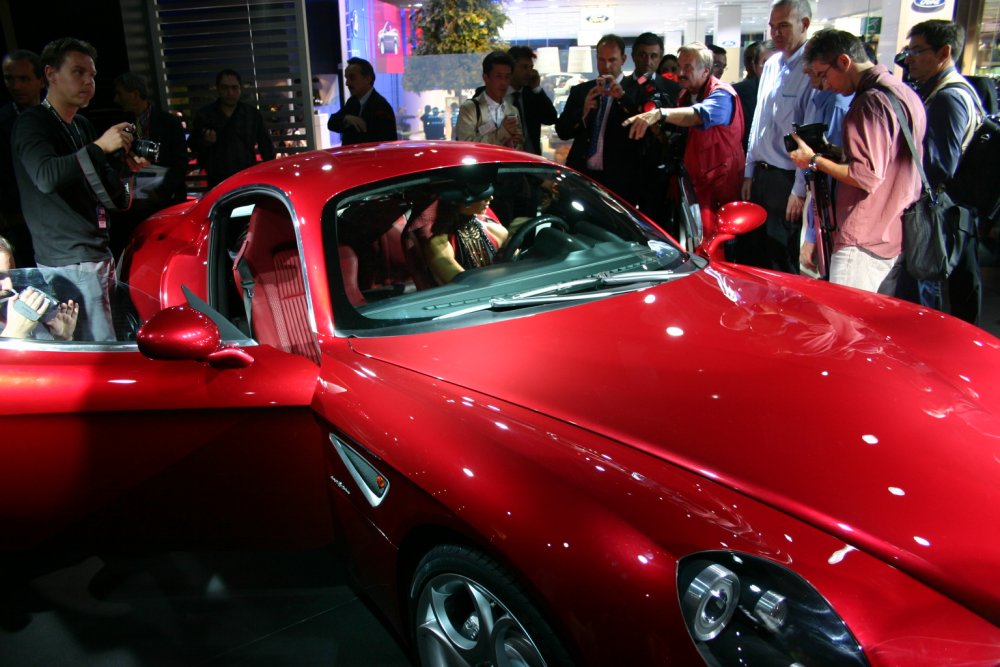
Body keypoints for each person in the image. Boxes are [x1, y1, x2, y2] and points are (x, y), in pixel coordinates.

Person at [12, 37, 139, 341]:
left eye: (92, 75)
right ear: (51, 75)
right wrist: (98, 148)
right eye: (78, 72)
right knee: (99, 351)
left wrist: (125, 167)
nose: (88, 81)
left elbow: (101, 183)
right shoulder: (33, 123)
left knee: (112, 339)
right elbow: (45, 176)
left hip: (95, 251)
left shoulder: (80, 124)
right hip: (68, 260)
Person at [788, 29, 925, 293]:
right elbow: (885, 161)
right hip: (892, 232)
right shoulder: (902, 92)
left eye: (823, 74)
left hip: (863, 239)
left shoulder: (869, 103)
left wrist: (813, 158)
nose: (824, 85)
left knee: (847, 326)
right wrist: (837, 153)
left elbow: (865, 176)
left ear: (843, 62)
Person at [898, 20, 983, 324]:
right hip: (950, 212)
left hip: (942, 215)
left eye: (917, 51)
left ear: (944, 52)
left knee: (932, 290)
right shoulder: (946, 91)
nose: (908, 59)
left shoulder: (948, 97)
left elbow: (940, 166)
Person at [624, 42, 744, 243]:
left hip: (717, 189)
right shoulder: (684, 95)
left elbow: (699, 116)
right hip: (691, 187)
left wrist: (659, 114)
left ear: (706, 70)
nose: (680, 72)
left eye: (687, 67)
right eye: (680, 66)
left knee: (716, 246)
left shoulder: (722, 94)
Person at [740, 0, 816, 273]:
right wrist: (749, 171)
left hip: (786, 179)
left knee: (781, 258)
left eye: (783, 26)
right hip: (760, 175)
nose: (775, 33)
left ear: (804, 24)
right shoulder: (771, 64)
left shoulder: (811, 68)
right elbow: (759, 121)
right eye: (772, 27)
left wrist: (798, 189)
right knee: (754, 255)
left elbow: (808, 138)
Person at [556, 34, 642, 201]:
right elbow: (562, 131)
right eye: (601, 60)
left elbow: (639, 132)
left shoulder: (635, 91)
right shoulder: (581, 91)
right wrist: (584, 111)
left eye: (612, 60)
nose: (606, 66)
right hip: (582, 176)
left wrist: (622, 97)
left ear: (623, 59)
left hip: (618, 180)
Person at [111, 72, 188, 257]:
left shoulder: (169, 123)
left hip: (165, 205)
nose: (116, 100)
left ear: (135, 94)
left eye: (120, 94)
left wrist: (159, 193)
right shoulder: (118, 126)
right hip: (132, 209)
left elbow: (180, 164)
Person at [797, 60, 853, 275]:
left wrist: (813, 235)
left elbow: (828, 177)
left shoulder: (836, 102)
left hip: (834, 216)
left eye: (815, 74)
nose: (811, 81)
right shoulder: (821, 98)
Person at [621, 33, 681, 228]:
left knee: (659, 226)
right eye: (642, 55)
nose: (648, 61)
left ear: (660, 56)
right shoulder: (621, 87)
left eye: (654, 56)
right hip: (625, 167)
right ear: (633, 56)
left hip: (659, 171)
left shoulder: (673, 89)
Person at [189, 69, 276, 187]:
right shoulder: (205, 115)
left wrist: (269, 175)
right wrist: (205, 141)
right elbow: (193, 145)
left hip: (247, 177)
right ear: (218, 89)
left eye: (234, 88)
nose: (230, 92)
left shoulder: (252, 114)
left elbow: (266, 147)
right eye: (225, 88)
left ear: (240, 89)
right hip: (217, 180)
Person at [1, 50, 45, 268]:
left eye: (24, 79)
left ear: (41, 80)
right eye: (10, 79)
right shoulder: (2, 121)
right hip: (17, 222)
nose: (16, 86)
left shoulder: (57, 117)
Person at [423, 182, 508, 284]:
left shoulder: (497, 231)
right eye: (482, 195)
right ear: (461, 200)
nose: (490, 198)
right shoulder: (439, 245)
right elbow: (464, 285)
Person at [0, 236, 78, 339]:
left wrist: (62, 339)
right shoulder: (16, 319)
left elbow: (44, 354)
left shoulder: (15, 311)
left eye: (11, 274)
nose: (8, 286)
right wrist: (12, 334)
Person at [455, 51, 522, 149]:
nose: (504, 82)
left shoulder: (512, 111)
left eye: (507, 77)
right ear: (486, 77)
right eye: (498, 76)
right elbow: (466, 146)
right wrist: (502, 133)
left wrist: (515, 142)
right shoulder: (470, 109)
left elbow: (520, 146)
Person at [328, 57, 398, 146]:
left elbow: (388, 144)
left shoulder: (382, 107)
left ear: (368, 79)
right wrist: (346, 118)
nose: (347, 83)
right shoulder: (353, 102)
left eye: (352, 77)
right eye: (346, 78)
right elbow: (331, 123)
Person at [506, 46, 558, 155]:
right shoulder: (495, 93)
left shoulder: (531, 94)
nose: (529, 73)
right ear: (510, 68)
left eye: (531, 67)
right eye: (524, 67)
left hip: (530, 159)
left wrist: (536, 89)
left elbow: (551, 118)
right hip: (502, 158)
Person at [731, 40, 775, 152]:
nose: (772, 68)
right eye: (766, 63)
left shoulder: (791, 94)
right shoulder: (738, 92)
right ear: (754, 66)